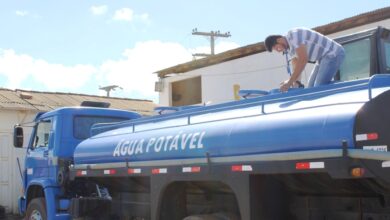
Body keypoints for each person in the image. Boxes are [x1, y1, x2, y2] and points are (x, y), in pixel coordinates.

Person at [264, 27, 345, 92]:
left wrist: (289, 82)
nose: (279, 51)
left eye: (277, 48)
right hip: (321, 59)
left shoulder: (293, 36)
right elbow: (296, 64)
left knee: (319, 87)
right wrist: (296, 82)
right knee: (310, 89)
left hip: (333, 53)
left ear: (279, 40)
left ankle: (346, 87)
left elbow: (303, 59)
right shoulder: (289, 49)